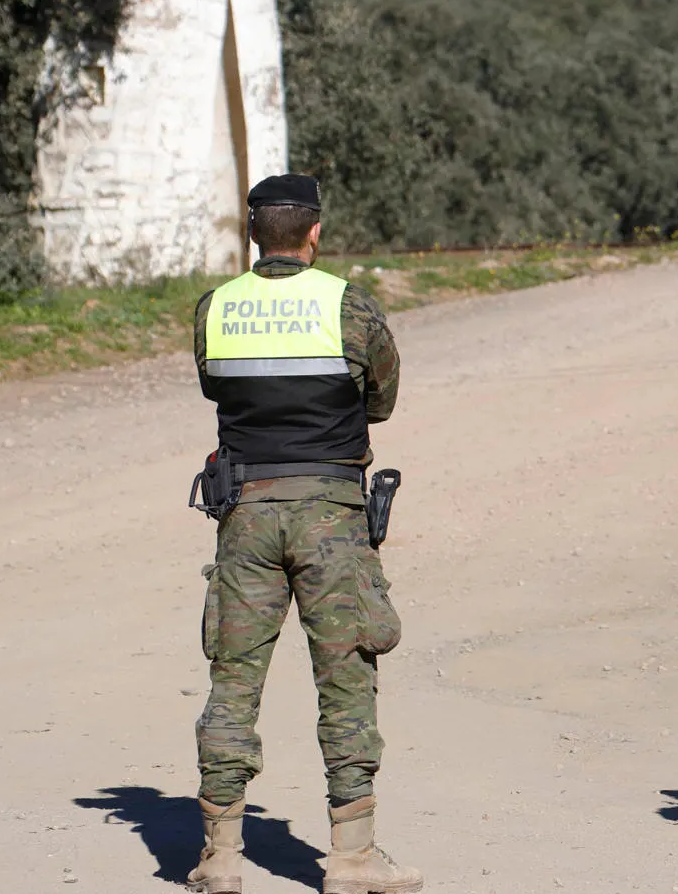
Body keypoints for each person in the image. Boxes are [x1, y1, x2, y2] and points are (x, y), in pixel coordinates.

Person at [186, 174, 422, 894]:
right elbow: (380, 399)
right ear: (314, 232)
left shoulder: (216, 308)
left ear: (255, 234)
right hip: (332, 518)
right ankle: (352, 858)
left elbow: (214, 386)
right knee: (346, 676)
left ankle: (221, 857)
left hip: (246, 513)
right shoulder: (347, 306)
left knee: (233, 680)